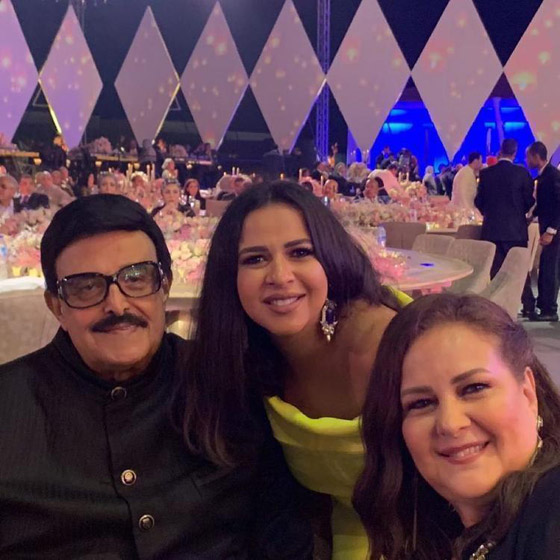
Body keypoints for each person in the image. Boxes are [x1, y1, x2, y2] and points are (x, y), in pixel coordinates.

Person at [0, 194, 313, 558]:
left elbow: (284, 533)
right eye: (85, 287)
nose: (116, 304)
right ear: (56, 306)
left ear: (164, 286)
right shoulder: (9, 407)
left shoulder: (226, 382)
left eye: (137, 278)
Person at [182, 181, 410, 559]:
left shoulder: (387, 348)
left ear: (330, 257)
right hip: (350, 538)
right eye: (255, 259)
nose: (280, 275)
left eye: (300, 252)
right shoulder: (250, 362)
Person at [355, 293, 560, 560]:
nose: (450, 424)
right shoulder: (434, 525)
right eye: (421, 403)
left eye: (474, 388)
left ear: (528, 392)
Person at [475, 138, 534, 277]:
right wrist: (519, 213)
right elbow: (529, 201)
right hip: (516, 231)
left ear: (500, 151)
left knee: (493, 274)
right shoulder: (522, 173)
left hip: (491, 230)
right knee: (517, 273)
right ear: (515, 153)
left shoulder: (486, 174)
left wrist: (489, 213)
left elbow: (478, 201)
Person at [525, 141, 560, 321]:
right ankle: (544, 305)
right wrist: (532, 215)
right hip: (547, 228)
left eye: (528, 157)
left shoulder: (552, 175)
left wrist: (551, 231)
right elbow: (545, 203)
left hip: (554, 232)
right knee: (546, 267)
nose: (527, 161)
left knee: (550, 269)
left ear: (536, 156)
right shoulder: (545, 175)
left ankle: (550, 310)